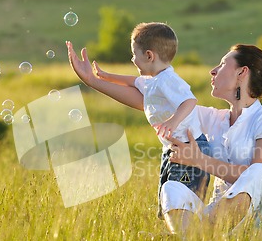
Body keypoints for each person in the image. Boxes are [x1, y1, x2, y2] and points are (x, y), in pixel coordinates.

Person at [66, 41, 262, 240]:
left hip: (261, 226)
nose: (213, 71)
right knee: (172, 188)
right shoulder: (213, 118)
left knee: (259, 172)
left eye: (222, 65)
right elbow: (148, 101)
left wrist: (199, 160)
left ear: (242, 73)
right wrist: (92, 80)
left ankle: (190, 237)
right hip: (219, 223)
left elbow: (261, 175)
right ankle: (195, 238)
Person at [67, 22, 211, 228]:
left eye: (135, 54)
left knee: (182, 201)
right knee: (168, 199)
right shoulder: (154, 80)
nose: (132, 59)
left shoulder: (168, 80)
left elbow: (189, 101)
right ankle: (182, 240)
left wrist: (173, 121)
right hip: (174, 150)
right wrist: (102, 76)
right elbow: (134, 82)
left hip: (191, 149)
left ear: (149, 56)